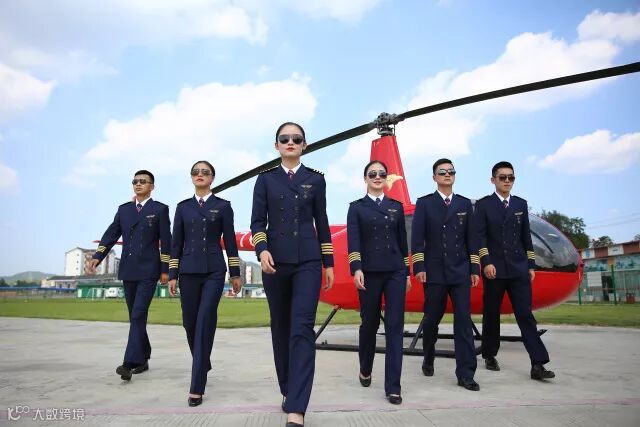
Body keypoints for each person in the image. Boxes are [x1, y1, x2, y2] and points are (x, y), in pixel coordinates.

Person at [250, 122, 334, 427]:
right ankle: (287, 388)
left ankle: (297, 407)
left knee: (302, 329)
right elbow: (257, 222)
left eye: (296, 139)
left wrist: (329, 263)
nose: (290, 142)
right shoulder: (265, 180)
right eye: (284, 139)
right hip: (275, 263)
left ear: (304, 145)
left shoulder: (316, 179)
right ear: (276, 146)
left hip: (308, 262)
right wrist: (262, 250)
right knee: (281, 328)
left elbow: (322, 222)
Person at [167, 160, 242, 407]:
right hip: (188, 271)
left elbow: (230, 242)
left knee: (205, 321)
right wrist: (172, 273)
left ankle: (197, 386)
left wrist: (235, 273)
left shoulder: (223, 206)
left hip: (214, 271)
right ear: (192, 177)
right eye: (195, 172)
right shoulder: (183, 207)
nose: (200, 175)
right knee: (189, 323)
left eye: (205, 172)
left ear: (212, 178)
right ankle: (204, 362)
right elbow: (176, 243)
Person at [86, 170, 171, 381]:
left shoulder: (160, 209)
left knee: (137, 314)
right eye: (135, 181)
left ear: (152, 186)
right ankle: (143, 356)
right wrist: (98, 256)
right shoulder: (123, 210)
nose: (138, 184)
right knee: (135, 315)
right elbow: (111, 234)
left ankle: (129, 363)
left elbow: (166, 241)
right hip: (128, 270)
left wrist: (165, 270)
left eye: (143, 181)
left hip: (149, 271)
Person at [474, 161, 555, 380]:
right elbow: (479, 237)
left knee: (525, 315)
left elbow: (526, 236)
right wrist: (486, 262)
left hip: (519, 269)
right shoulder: (483, 205)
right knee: (491, 314)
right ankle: (489, 354)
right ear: (493, 180)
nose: (507, 181)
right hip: (494, 270)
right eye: (503, 177)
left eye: (511, 177)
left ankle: (538, 363)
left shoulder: (520, 204)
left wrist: (531, 265)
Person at [411, 158, 480, 391]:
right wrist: (419, 267)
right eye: (442, 172)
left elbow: (472, 239)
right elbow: (417, 239)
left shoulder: (464, 204)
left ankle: (466, 374)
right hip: (434, 272)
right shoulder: (425, 203)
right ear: (434, 177)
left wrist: (474, 268)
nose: (447, 174)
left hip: (460, 271)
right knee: (431, 320)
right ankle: (428, 355)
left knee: (463, 322)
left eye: (451, 171)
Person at [347, 160, 410, 405]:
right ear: (365, 178)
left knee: (395, 327)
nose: (377, 177)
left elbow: (403, 243)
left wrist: (406, 273)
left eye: (381, 174)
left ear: (386, 179)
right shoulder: (356, 207)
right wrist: (356, 268)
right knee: (369, 324)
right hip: (369, 272)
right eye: (372, 173)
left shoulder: (396, 207)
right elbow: (354, 241)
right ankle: (365, 367)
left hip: (395, 271)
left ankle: (393, 387)